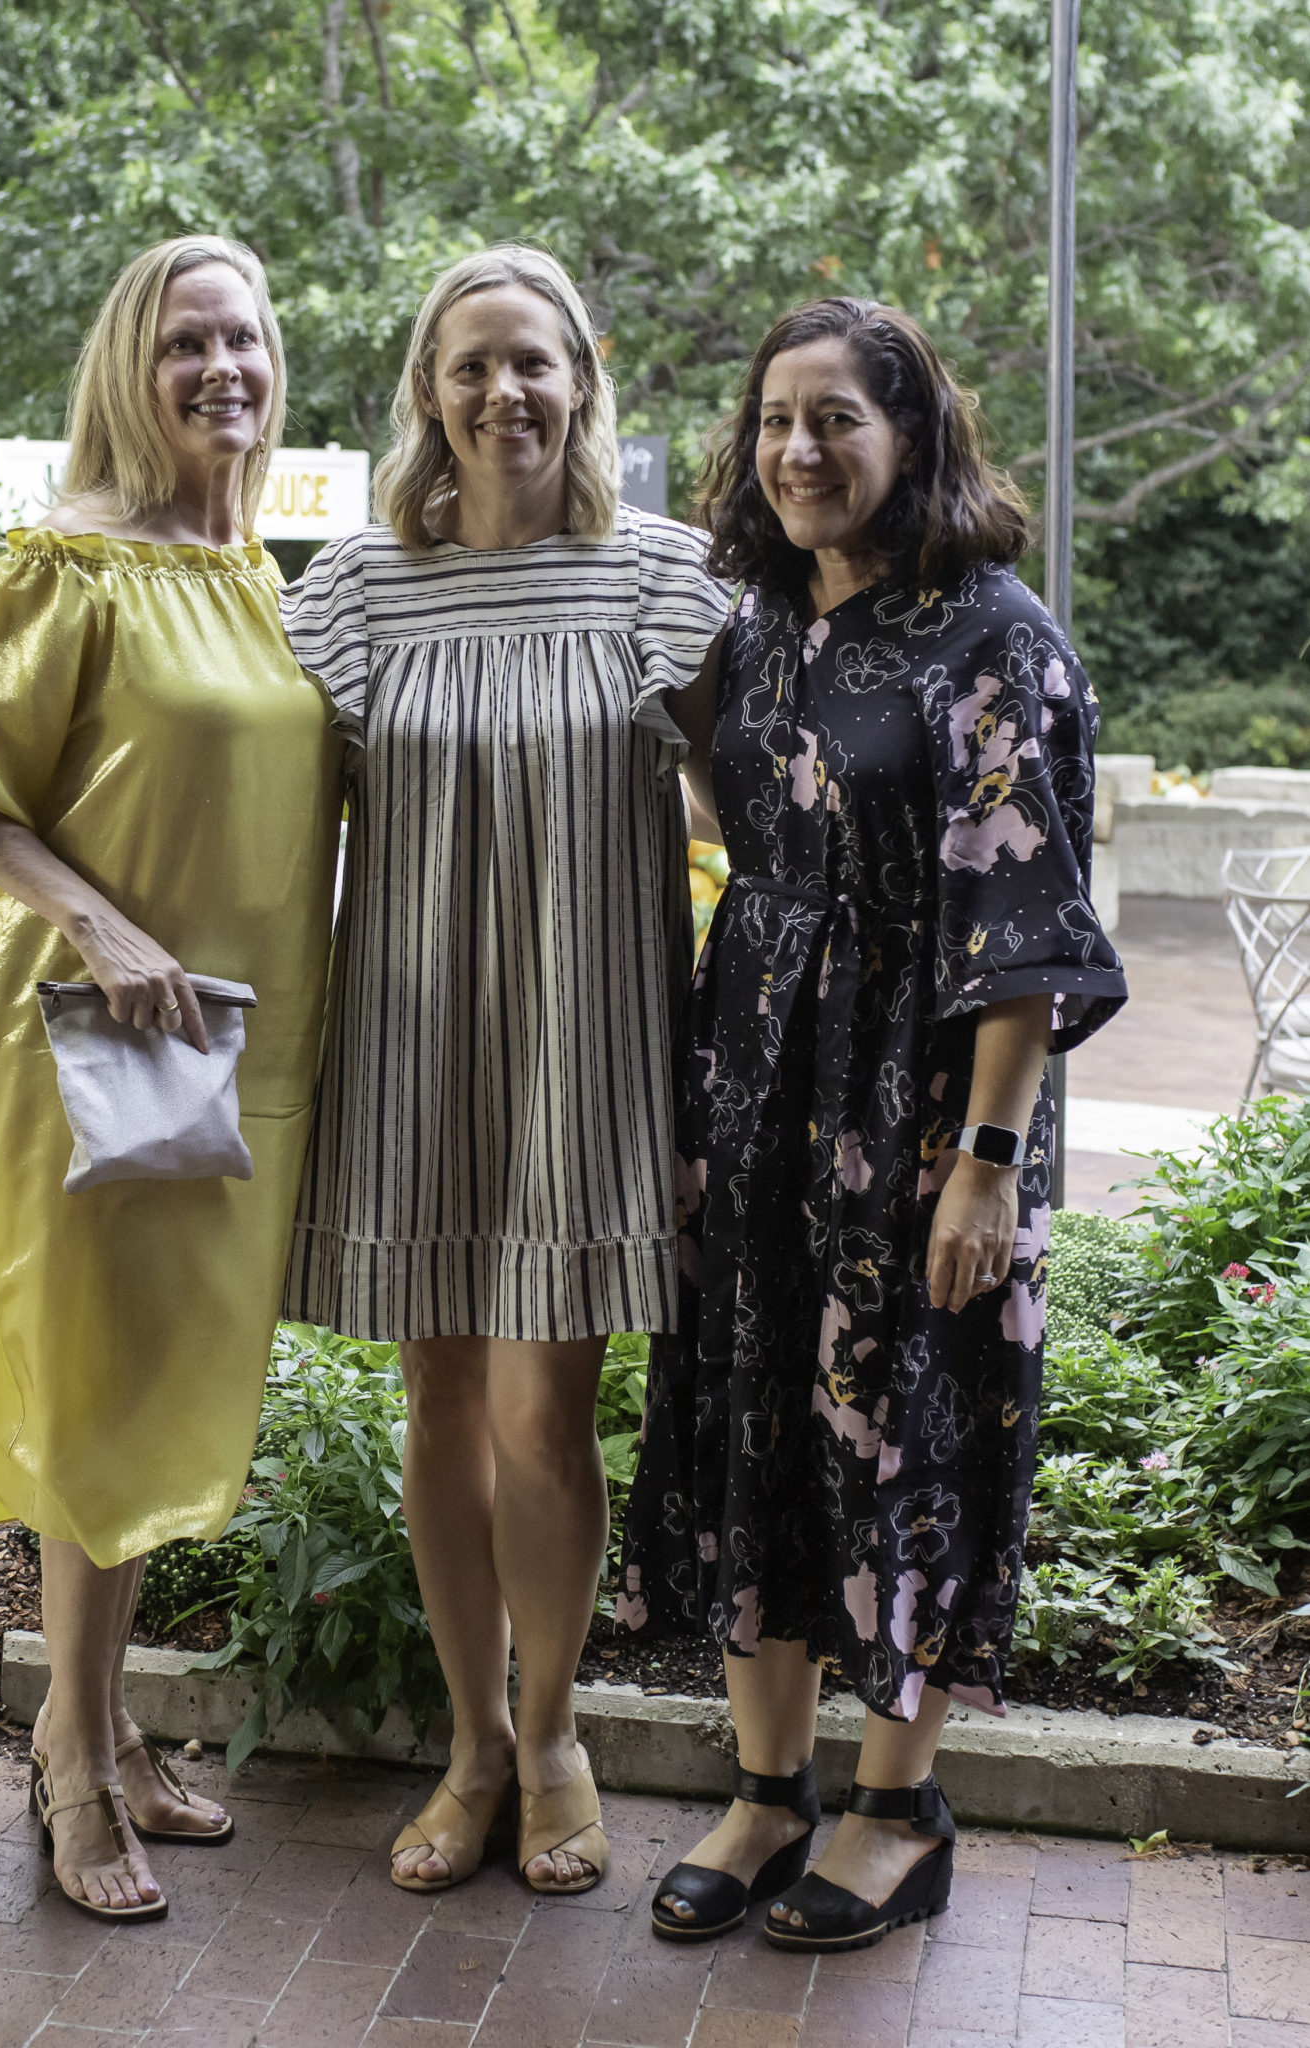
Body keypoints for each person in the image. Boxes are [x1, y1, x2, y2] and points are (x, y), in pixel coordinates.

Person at [619, 297, 1126, 1952]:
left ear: (911, 436)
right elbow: (756, 830)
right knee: (757, 1414)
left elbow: (1029, 934)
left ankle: (898, 1812)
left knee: (912, 1432)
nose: (798, 450)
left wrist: (986, 1168)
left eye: (837, 418)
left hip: (920, 1116)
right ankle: (769, 1792)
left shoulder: (992, 637)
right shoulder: (762, 624)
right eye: (776, 420)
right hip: (761, 1091)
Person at [0, 236, 344, 1923]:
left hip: (214, 1050)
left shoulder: (263, 576)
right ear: (132, 372)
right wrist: (106, 926)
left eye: (244, 338)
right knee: (87, 1388)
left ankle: (106, 1723)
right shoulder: (67, 564)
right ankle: (69, 1754)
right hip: (68, 1035)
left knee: (146, 1383)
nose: (222, 368)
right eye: (184, 342)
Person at [278, 245, 730, 1895]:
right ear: (428, 389)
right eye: (470, 365)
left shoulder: (660, 580)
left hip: (586, 1051)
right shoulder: (352, 591)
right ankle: (471, 1748)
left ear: (583, 376)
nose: (503, 392)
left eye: (532, 361)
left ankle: (553, 1742)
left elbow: (765, 823)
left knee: (547, 1415)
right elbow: (266, 834)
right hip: (412, 1048)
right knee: (441, 1401)